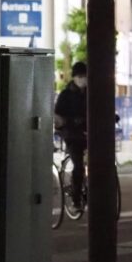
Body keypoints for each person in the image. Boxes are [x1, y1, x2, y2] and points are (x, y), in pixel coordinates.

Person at [55, 61, 89, 209]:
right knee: (79, 166)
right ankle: (76, 198)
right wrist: (69, 121)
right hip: (71, 135)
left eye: (85, 76)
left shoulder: (91, 92)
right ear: (75, 77)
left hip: (88, 133)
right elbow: (58, 117)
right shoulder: (66, 95)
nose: (83, 79)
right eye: (80, 76)